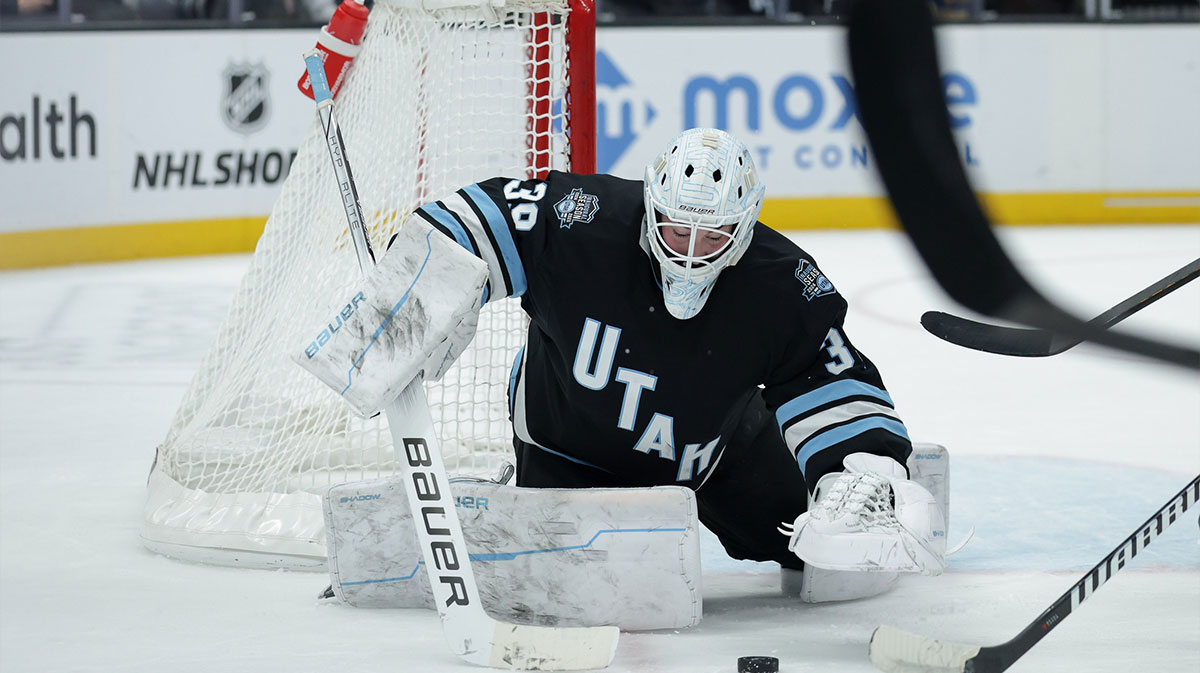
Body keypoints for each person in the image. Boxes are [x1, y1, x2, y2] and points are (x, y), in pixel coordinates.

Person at [408, 127, 945, 600]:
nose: (690, 250)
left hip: (717, 452)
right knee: (577, 591)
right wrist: (419, 282)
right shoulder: (580, 221)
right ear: (651, 202)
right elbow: (479, 215)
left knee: (829, 557)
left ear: (746, 223)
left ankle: (879, 485)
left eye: (713, 235)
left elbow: (828, 377)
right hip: (566, 449)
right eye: (675, 228)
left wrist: (860, 466)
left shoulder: (781, 282)